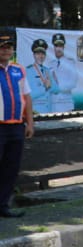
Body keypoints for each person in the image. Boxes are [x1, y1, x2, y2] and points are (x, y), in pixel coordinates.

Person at [0, 34, 35, 219]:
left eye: (9, 46)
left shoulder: (18, 70)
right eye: (2, 46)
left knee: (10, 168)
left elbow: (27, 97)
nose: (6, 49)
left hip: (16, 126)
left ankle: (3, 205)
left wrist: (30, 122)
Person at [47, 31, 78, 113]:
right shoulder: (50, 64)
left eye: (60, 46)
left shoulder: (70, 63)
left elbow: (73, 83)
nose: (58, 48)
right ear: (53, 47)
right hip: (52, 105)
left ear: (64, 47)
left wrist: (57, 87)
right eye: (56, 46)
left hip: (66, 104)